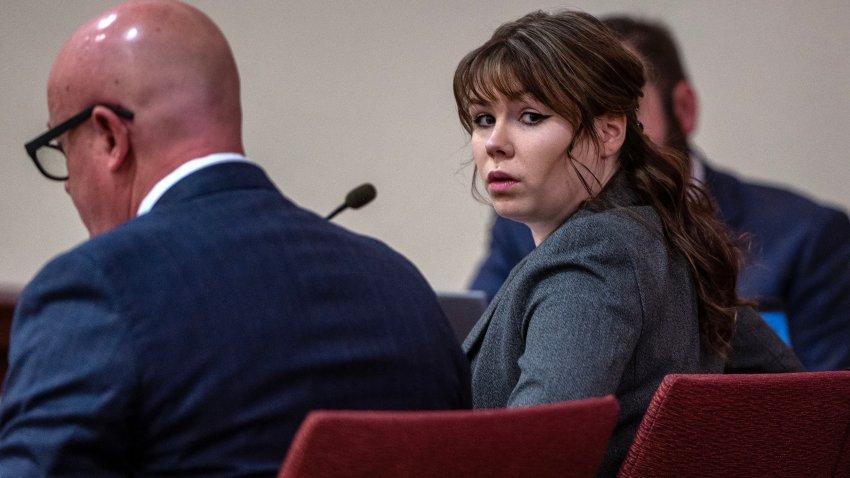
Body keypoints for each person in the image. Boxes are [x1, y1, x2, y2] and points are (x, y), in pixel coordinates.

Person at [0, 1, 470, 475]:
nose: (67, 184)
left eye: (62, 148)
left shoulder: (96, 288)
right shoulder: (403, 288)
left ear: (109, 136)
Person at [453, 10, 785, 476]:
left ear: (609, 131)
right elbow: (800, 397)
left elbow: (534, 457)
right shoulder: (657, 234)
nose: (494, 143)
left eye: (530, 116)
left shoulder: (595, 257)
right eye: (483, 118)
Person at [470, 15, 850, 372]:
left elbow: (825, 413)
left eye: (626, 111)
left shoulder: (810, 235)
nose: (608, 132)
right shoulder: (520, 225)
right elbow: (481, 351)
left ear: (682, 109)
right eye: (484, 119)